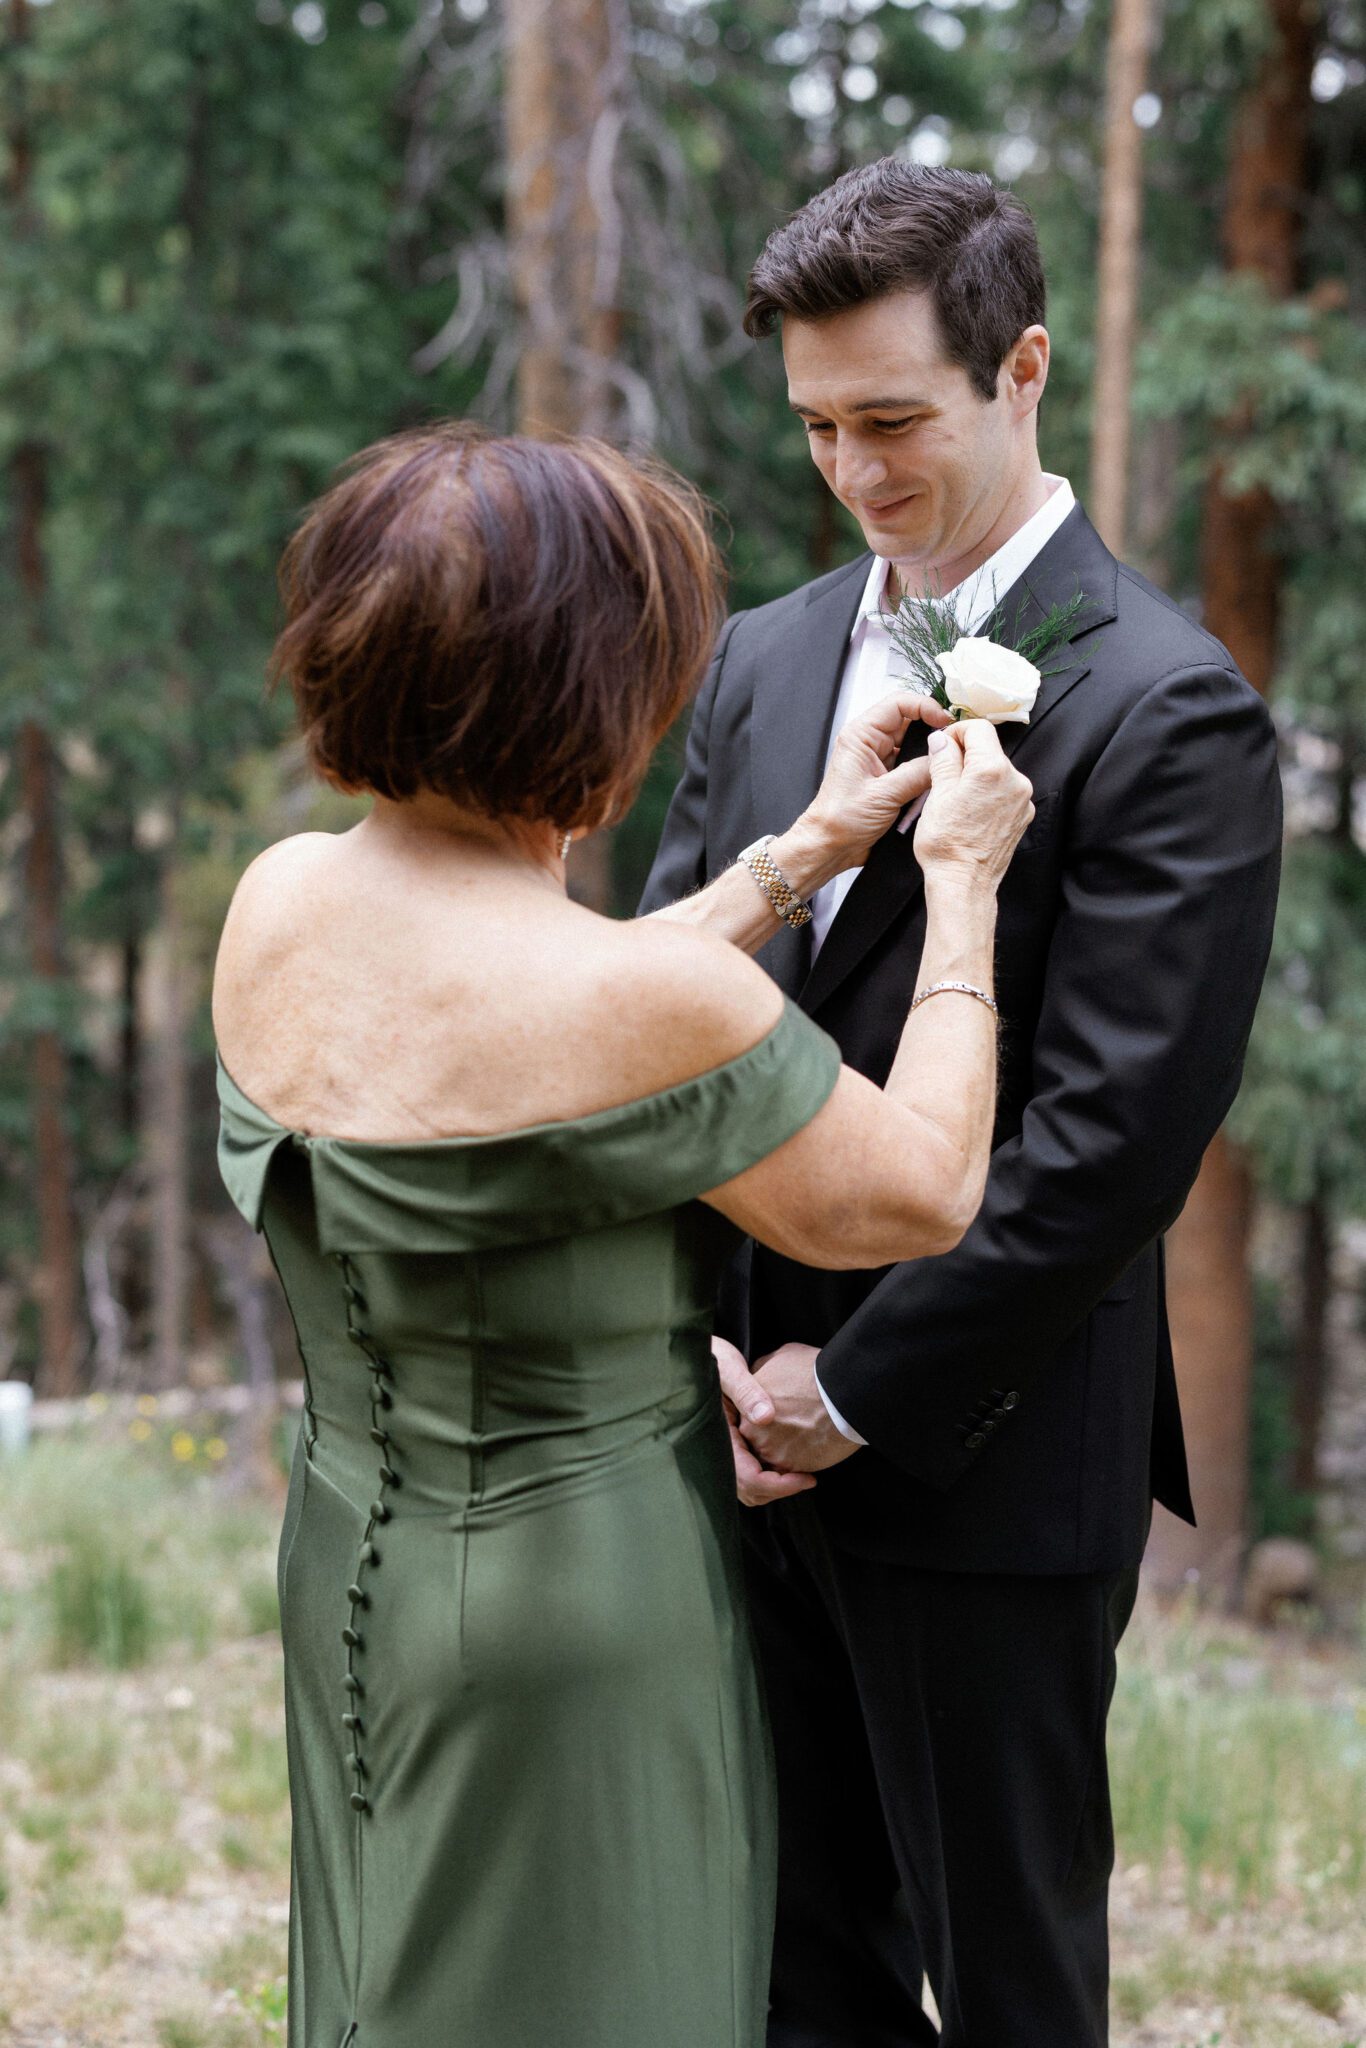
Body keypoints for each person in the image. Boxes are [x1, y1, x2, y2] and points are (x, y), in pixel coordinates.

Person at [211, 421, 1033, 2048]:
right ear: (588, 695)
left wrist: (796, 854)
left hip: (351, 1560)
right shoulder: (635, 1004)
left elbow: (546, 1025)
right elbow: (926, 1182)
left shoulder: (285, 899)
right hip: (588, 1611)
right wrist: (957, 887)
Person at [641, 160, 1282, 2047]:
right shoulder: (760, 656)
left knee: (1004, 1980)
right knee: (787, 1967)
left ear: (1021, 368)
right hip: (724, 1435)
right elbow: (674, 1010)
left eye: (893, 420)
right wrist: (713, 1375)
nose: (851, 470)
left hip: (977, 1455)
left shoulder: (1171, 707)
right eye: (818, 426)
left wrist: (854, 1394)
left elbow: (1110, 1150)